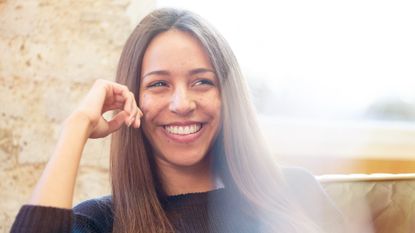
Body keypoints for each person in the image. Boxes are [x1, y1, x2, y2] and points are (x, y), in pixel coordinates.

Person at [10, 8, 345, 233]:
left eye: (202, 82)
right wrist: (76, 126)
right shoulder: (100, 222)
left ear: (227, 97)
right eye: (159, 84)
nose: (182, 104)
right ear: (133, 100)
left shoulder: (296, 190)